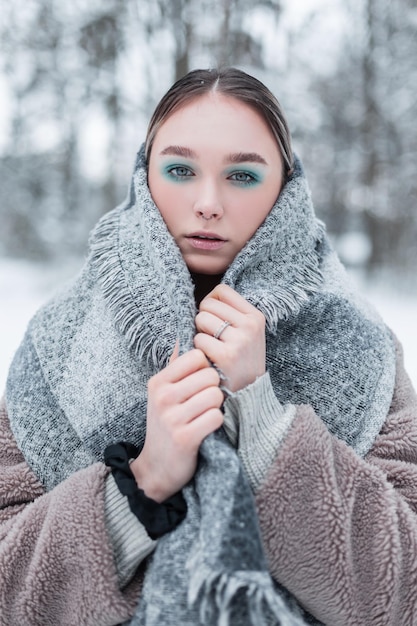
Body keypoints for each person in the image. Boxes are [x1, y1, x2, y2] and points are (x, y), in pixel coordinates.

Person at [1, 67, 417, 626]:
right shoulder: (59, 341)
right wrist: (142, 486)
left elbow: (401, 591)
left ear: (286, 188)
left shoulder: (360, 347)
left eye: (242, 176)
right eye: (179, 169)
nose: (207, 203)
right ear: (144, 175)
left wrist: (266, 422)